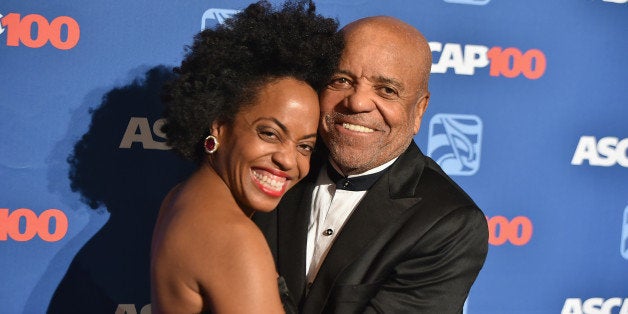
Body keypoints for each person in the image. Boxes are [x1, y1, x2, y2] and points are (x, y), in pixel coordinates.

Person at [254, 15, 489, 313]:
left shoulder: (449, 222)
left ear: (419, 110)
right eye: (342, 81)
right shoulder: (270, 167)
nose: (357, 102)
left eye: (386, 90)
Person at [150, 1, 342, 313]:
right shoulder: (234, 239)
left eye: (305, 146)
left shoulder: (181, 198)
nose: (288, 160)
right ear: (219, 124)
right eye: (269, 133)